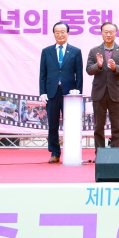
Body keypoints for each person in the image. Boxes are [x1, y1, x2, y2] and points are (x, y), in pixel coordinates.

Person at [39, 22, 84, 163]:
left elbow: (79, 75)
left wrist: (78, 92)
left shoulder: (75, 51)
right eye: (57, 32)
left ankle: (71, 152)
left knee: (70, 125)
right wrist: (43, 92)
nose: (60, 35)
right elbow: (43, 74)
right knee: (52, 125)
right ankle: (55, 153)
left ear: (68, 33)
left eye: (63, 32)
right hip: (52, 93)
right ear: (53, 34)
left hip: (70, 94)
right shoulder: (46, 51)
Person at [86, 22, 119, 153]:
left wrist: (115, 67)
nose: (108, 34)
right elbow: (89, 70)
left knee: (116, 127)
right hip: (99, 93)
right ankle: (100, 154)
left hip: (116, 93)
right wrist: (99, 65)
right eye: (105, 32)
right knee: (98, 127)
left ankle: (115, 155)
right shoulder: (94, 51)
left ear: (116, 33)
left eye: (111, 32)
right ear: (101, 33)